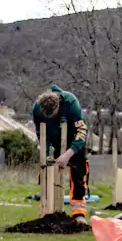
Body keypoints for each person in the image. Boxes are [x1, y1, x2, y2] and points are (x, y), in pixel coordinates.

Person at [33, 85, 91, 224]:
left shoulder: (71, 103)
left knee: (78, 171)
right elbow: (41, 134)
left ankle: (78, 213)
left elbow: (82, 132)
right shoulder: (37, 109)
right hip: (53, 142)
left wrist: (67, 155)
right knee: (47, 170)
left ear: (58, 105)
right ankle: (47, 210)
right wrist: (47, 155)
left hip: (73, 141)